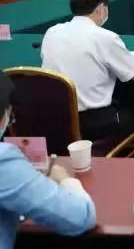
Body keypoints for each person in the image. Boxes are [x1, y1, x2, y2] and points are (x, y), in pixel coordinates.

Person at [0, 72, 96, 247]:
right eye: (11, 119)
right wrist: (65, 179)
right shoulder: (3, 161)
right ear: (3, 119)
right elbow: (81, 217)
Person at [41, 0, 134, 141]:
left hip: (55, 120)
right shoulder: (105, 37)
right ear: (101, 8)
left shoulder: (51, 32)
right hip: (93, 123)